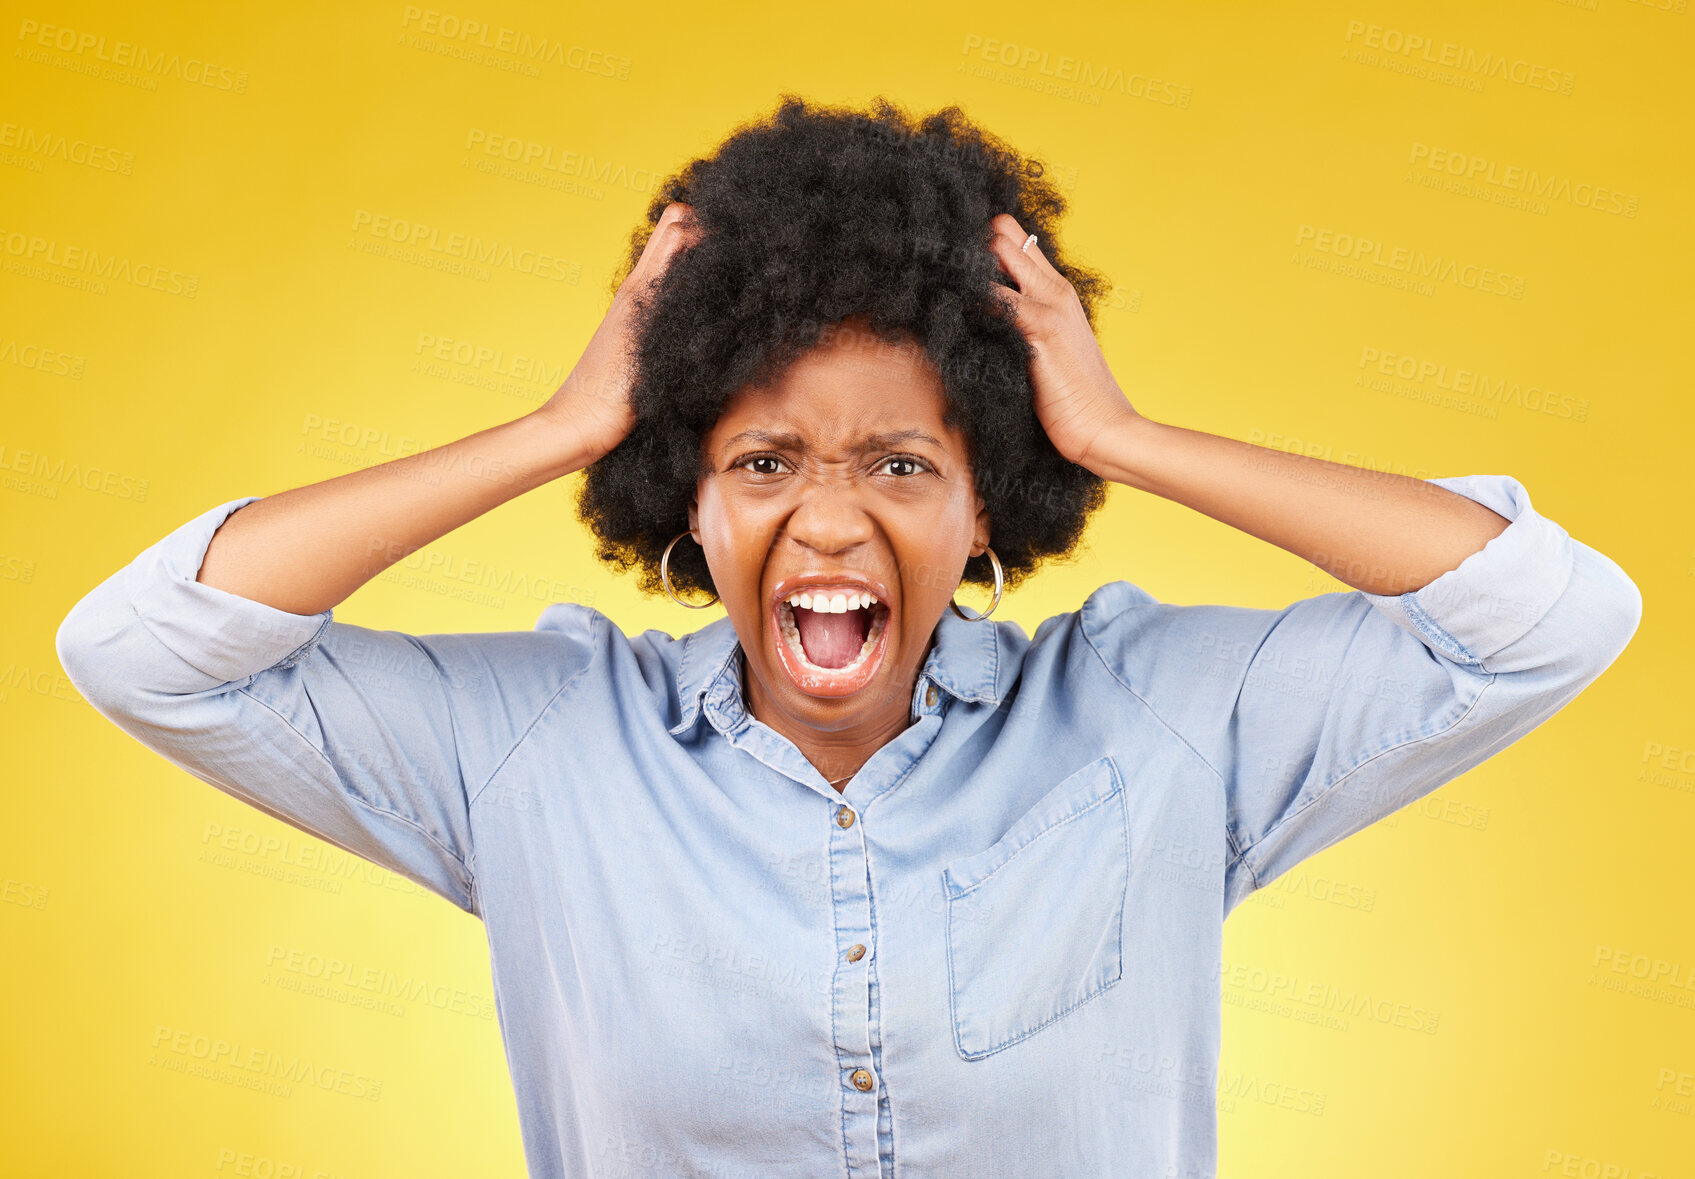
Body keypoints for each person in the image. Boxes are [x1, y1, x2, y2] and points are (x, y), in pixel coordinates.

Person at [55, 95, 1642, 1178]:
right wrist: (559, 423)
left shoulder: (1161, 718)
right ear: (684, 495)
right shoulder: (537, 747)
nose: (827, 524)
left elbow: (1547, 618)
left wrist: (1126, 436)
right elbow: (141, 647)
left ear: (989, 507)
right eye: (762, 463)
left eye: (902, 464)